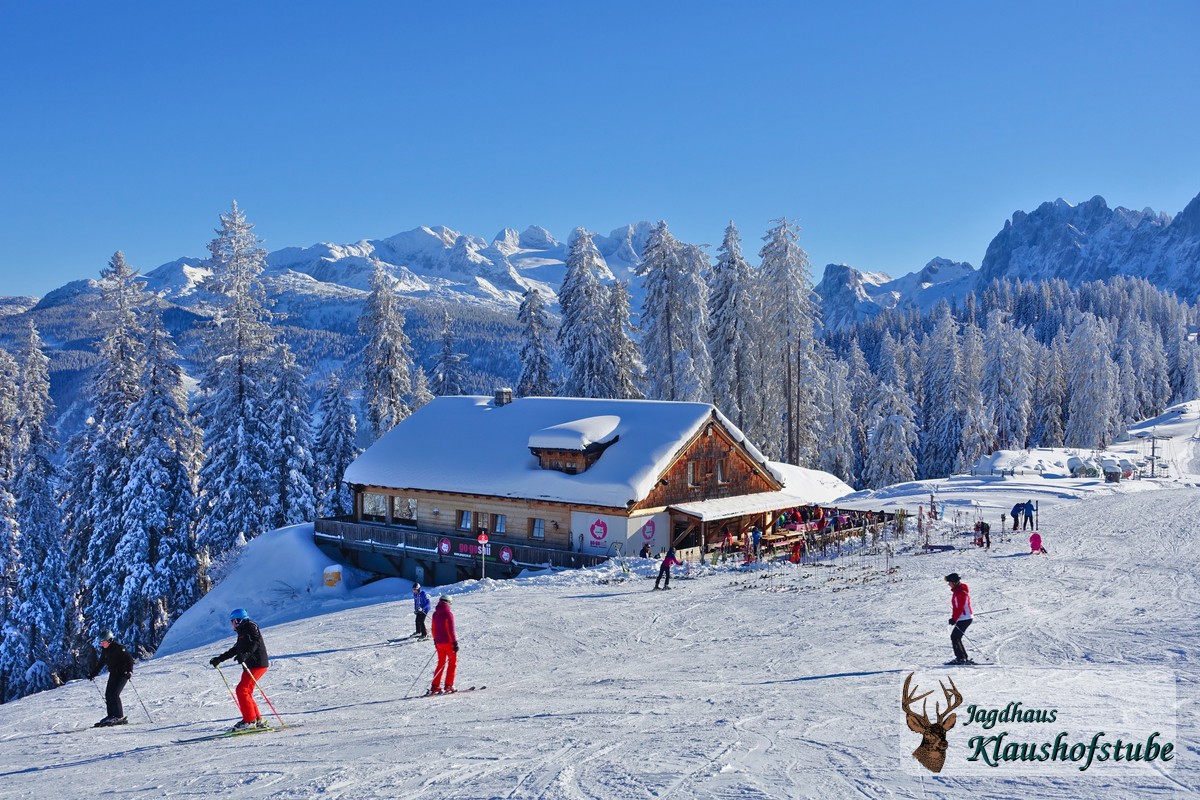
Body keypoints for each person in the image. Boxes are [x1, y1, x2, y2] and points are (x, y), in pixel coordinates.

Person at [209, 608, 270, 731]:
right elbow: (236, 649)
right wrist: (220, 659)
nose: (232, 623)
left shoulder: (251, 627)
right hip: (251, 665)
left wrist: (246, 654)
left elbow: (256, 643)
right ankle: (256, 719)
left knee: (241, 690)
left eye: (233, 621)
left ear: (238, 620)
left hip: (257, 664)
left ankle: (249, 720)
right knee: (246, 691)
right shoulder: (243, 631)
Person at [88, 630, 134, 727]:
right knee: (108, 694)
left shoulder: (119, 648)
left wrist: (129, 671)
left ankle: (119, 716)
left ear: (109, 640)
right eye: (100, 642)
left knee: (114, 694)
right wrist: (93, 674)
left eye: (103, 641)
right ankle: (111, 715)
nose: (101, 644)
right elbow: (101, 664)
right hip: (113, 674)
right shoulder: (105, 651)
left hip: (123, 674)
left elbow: (129, 659)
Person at [429, 595, 458, 695]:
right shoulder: (448, 614)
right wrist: (454, 642)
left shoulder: (435, 614)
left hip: (439, 643)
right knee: (452, 663)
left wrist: (435, 640)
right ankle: (448, 685)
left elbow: (433, 628)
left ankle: (435, 686)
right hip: (448, 643)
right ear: (448, 603)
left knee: (440, 664)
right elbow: (451, 630)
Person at [945, 573, 973, 665]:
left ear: (954, 582)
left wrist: (954, 619)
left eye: (949, 582)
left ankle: (961, 659)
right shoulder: (959, 591)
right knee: (956, 637)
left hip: (964, 618)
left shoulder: (960, 592)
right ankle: (962, 658)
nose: (948, 584)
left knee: (955, 637)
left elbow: (959, 608)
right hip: (964, 617)